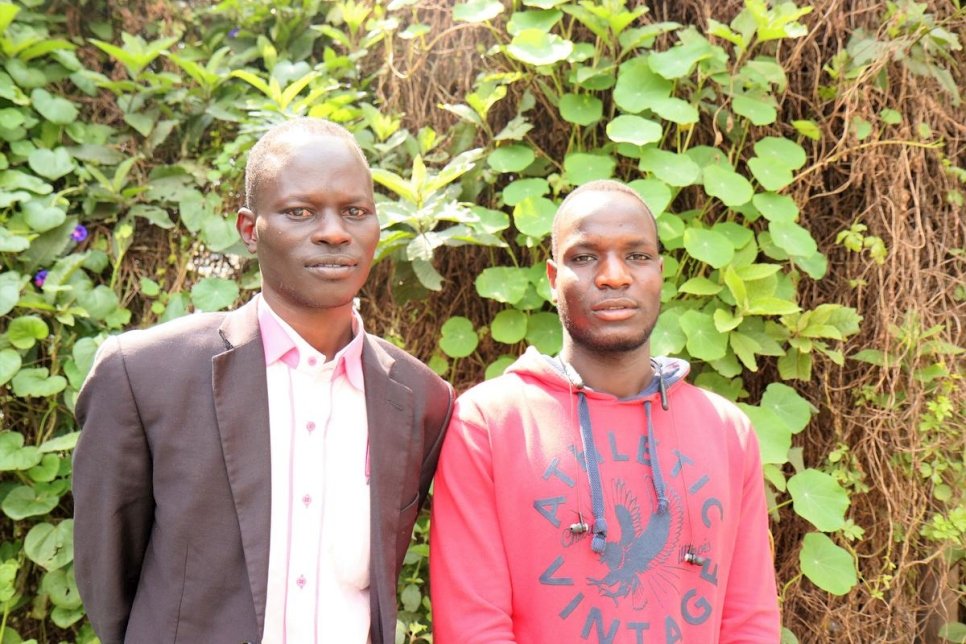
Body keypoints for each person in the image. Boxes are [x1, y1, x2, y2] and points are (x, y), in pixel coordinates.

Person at [72, 117, 454, 644]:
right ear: (250, 230)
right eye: (300, 211)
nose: (334, 231)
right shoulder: (143, 377)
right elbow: (107, 577)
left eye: (355, 212)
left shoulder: (420, 399)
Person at [429, 179, 780, 643]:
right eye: (585, 256)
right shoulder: (489, 424)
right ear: (553, 279)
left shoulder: (727, 430)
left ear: (660, 271)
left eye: (636, 256)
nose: (614, 275)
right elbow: (472, 626)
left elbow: (748, 619)